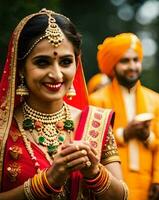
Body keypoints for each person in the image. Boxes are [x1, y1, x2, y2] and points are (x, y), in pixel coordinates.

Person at [0, 9, 128, 200]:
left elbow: (122, 197)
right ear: (21, 68)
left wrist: (95, 173)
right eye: (43, 62)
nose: (57, 74)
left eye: (66, 62)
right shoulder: (3, 127)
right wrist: (47, 182)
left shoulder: (96, 122)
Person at [89, 33, 159, 200]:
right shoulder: (97, 100)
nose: (132, 66)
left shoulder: (154, 98)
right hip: (112, 181)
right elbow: (92, 146)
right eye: (125, 61)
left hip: (147, 181)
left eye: (135, 60)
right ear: (113, 65)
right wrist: (124, 133)